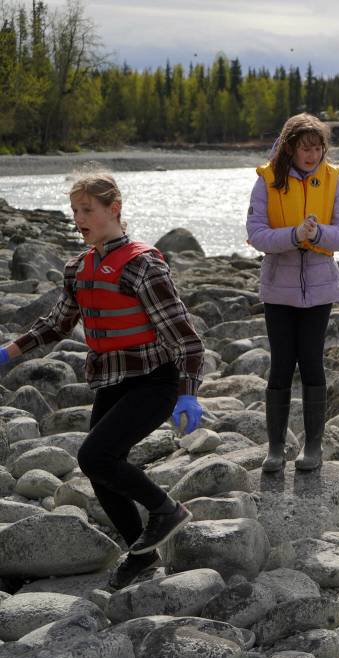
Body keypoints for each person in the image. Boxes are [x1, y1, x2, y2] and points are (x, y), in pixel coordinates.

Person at [0, 172, 205, 590]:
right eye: (74, 211)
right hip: (112, 383)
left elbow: (186, 338)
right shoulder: (79, 267)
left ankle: (166, 510)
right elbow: (56, 324)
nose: (79, 218)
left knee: (95, 457)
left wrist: (189, 395)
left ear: (114, 209)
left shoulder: (143, 265)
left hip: (154, 382)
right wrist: (9, 352)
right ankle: (142, 554)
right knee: (100, 469)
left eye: (87, 209)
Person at [246, 113, 339, 473]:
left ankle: (313, 447)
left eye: (318, 148)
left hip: (320, 289)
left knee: (312, 363)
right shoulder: (267, 180)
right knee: (280, 366)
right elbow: (257, 233)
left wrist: (318, 234)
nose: (312, 155)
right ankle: (276, 448)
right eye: (306, 148)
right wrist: (295, 235)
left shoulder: (333, 180)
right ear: (290, 147)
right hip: (278, 288)